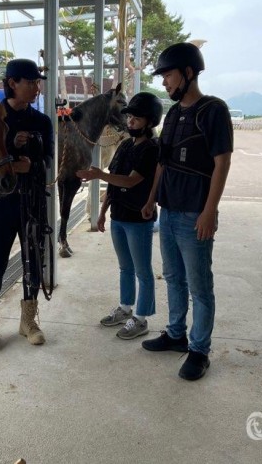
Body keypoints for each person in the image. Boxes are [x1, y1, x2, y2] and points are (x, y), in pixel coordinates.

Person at [141, 42, 233, 381]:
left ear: (189, 73)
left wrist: (210, 211)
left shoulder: (213, 110)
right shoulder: (174, 114)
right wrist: (152, 199)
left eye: (168, 75)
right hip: (168, 212)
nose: (164, 83)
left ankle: (199, 350)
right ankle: (176, 334)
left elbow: (222, 162)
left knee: (199, 285)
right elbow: (163, 163)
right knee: (174, 278)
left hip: (195, 214)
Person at [0, 59, 54, 352]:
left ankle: (28, 322)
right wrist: (10, 147)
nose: (37, 87)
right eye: (31, 82)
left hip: (33, 201)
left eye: (38, 82)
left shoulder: (42, 121)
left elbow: (48, 160)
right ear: (12, 83)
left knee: (33, 261)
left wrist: (31, 163)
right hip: (4, 202)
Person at [77, 92, 162, 340]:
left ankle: (142, 318)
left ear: (150, 121)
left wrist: (98, 175)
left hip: (139, 219)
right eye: (130, 117)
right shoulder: (124, 145)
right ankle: (126, 308)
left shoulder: (151, 149)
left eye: (136, 118)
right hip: (119, 216)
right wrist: (102, 213)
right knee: (125, 267)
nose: (130, 121)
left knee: (142, 271)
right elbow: (114, 183)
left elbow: (132, 181)